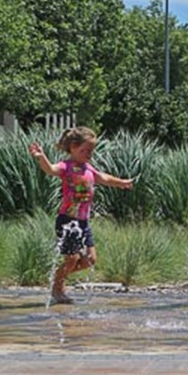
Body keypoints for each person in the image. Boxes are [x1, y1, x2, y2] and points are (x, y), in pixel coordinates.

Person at [29, 127, 133, 304]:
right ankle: (57, 287)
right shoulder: (66, 166)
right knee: (72, 259)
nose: (89, 154)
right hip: (67, 221)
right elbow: (50, 170)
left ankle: (58, 278)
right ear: (73, 148)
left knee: (90, 260)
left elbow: (103, 178)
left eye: (91, 150)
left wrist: (121, 183)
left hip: (83, 223)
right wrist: (41, 157)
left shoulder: (88, 168)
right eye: (85, 150)